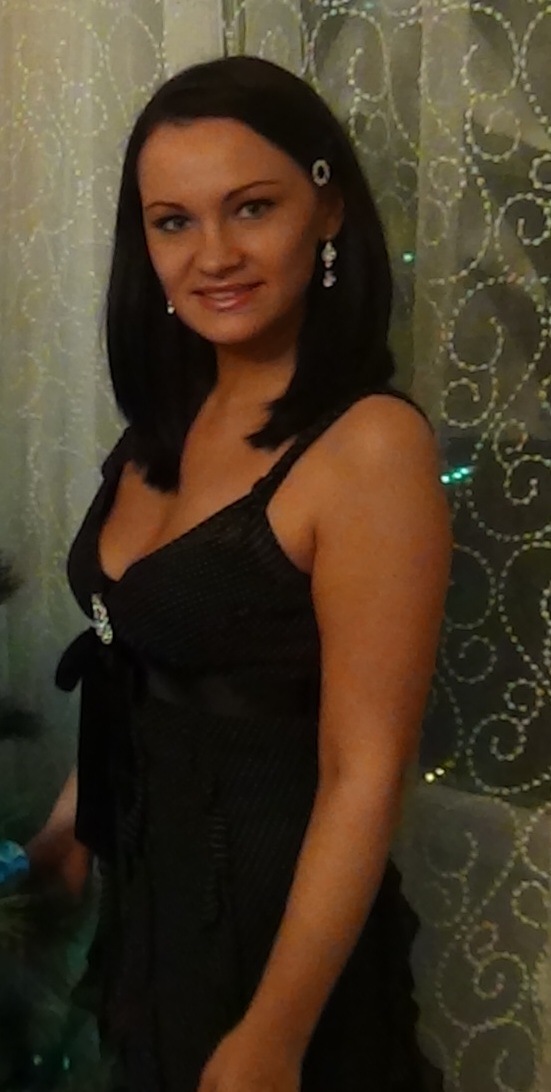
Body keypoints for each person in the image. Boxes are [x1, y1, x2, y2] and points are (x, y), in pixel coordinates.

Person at [38, 55, 451, 1092]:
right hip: (154, 914)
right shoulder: (165, 422)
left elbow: (363, 772)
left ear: (328, 210)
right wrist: (70, 826)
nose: (212, 254)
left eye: (251, 207)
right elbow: (142, 664)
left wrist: (276, 1032)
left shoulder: (367, 447)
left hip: (278, 952)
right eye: (172, 221)